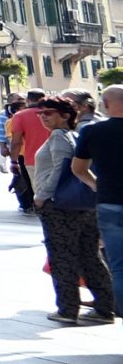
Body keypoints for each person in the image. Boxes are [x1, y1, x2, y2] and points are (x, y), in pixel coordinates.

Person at [31, 100, 115, 325]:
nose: (43, 116)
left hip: (59, 205)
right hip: (83, 205)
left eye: (49, 112)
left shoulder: (59, 136)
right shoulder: (76, 136)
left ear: (66, 116)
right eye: (40, 113)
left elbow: (61, 168)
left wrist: (42, 195)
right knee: (89, 256)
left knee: (62, 257)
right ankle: (105, 308)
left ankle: (67, 309)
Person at [68, 86, 123, 315]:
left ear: (107, 104)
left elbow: (78, 168)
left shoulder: (93, 131)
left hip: (109, 201)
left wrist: (95, 184)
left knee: (119, 268)